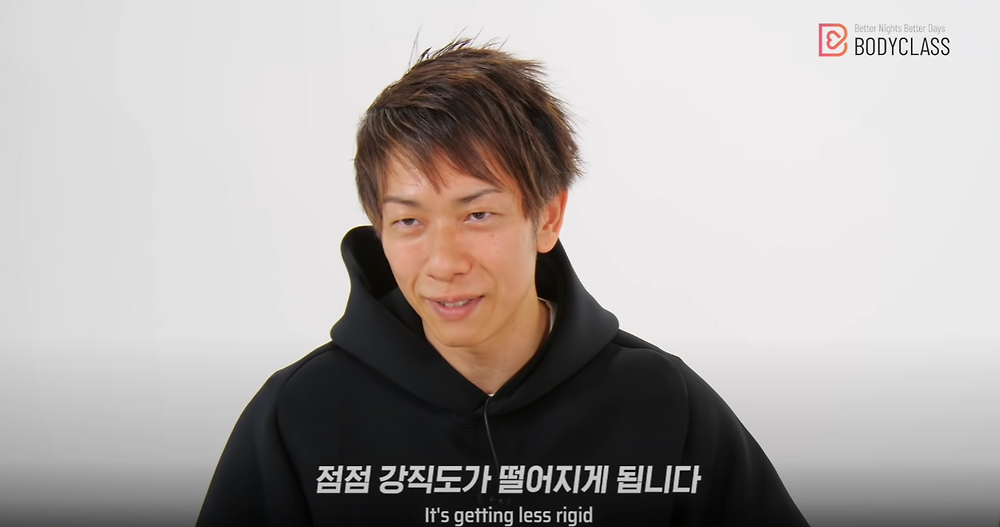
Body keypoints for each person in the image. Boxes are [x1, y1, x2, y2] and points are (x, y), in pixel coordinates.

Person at [196, 38, 810, 526]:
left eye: (478, 215)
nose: (443, 262)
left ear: (548, 217)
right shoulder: (299, 414)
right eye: (408, 221)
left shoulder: (662, 401)